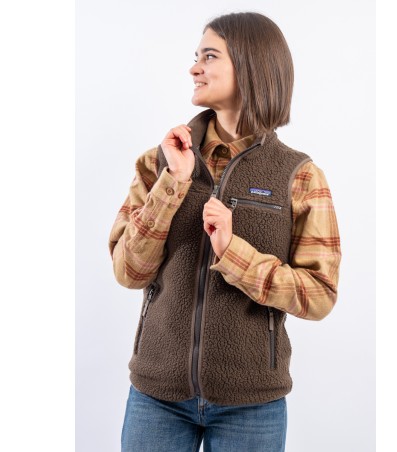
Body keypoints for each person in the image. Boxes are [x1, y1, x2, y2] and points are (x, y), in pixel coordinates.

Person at [109, 11, 341, 452]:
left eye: (209, 56)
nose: (194, 68)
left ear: (252, 66)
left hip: (251, 405)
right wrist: (173, 184)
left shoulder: (300, 176)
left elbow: (319, 295)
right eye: (195, 56)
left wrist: (233, 253)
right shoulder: (159, 162)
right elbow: (128, 272)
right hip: (156, 396)